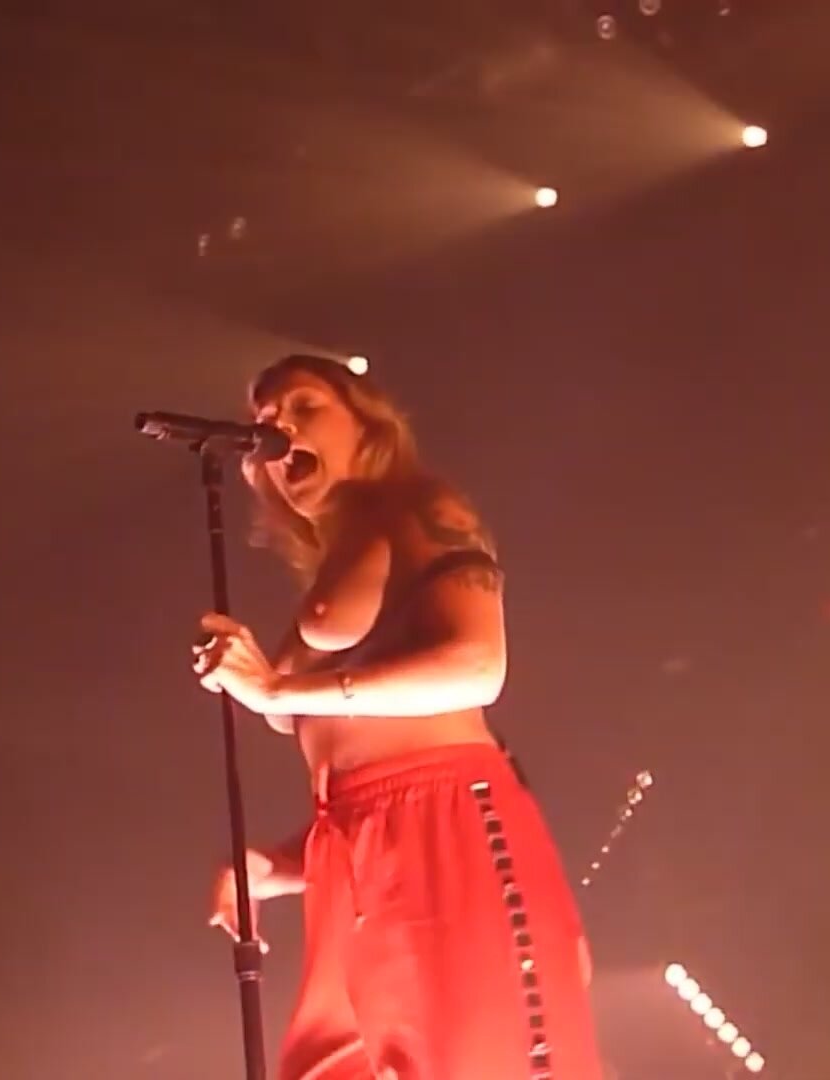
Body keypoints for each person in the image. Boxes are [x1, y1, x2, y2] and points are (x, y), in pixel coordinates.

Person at [190, 354, 602, 1080]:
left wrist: (279, 692)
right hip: (356, 864)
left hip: (453, 832)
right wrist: (277, 868)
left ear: (367, 424)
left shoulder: (422, 510)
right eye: (265, 420)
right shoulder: (329, 572)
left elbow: (478, 666)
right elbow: (368, 778)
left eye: (305, 406)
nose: (280, 428)